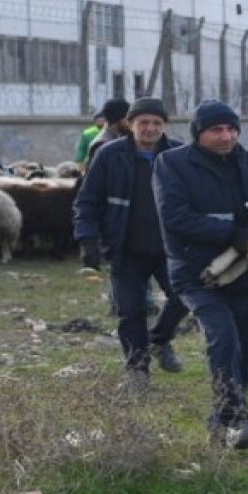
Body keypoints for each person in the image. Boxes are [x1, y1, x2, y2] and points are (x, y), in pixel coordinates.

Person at [153, 100, 248, 450]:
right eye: (216, 130)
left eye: (231, 129)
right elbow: (175, 216)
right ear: (199, 133)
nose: (226, 136)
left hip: (247, 272)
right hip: (196, 271)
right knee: (223, 338)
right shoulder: (173, 164)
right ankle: (239, 419)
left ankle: (221, 421)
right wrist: (230, 234)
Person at [72, 97, 188, 391]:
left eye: (157, 123)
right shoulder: (110, 155)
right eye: (143, 122)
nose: (150, 128)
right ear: (131, 124)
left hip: (170, 249)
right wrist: (88, 241)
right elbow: (88, 200)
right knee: (130, 312)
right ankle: (137, 372)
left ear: (164, 126)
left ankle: (159, 340)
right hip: (126, 247)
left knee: (186, 296)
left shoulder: (179, 155)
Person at [86, 97, 132, 166]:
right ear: (118, 119)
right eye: (128, 119)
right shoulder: (103, 144)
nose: (131, 122)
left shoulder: (118, 137)